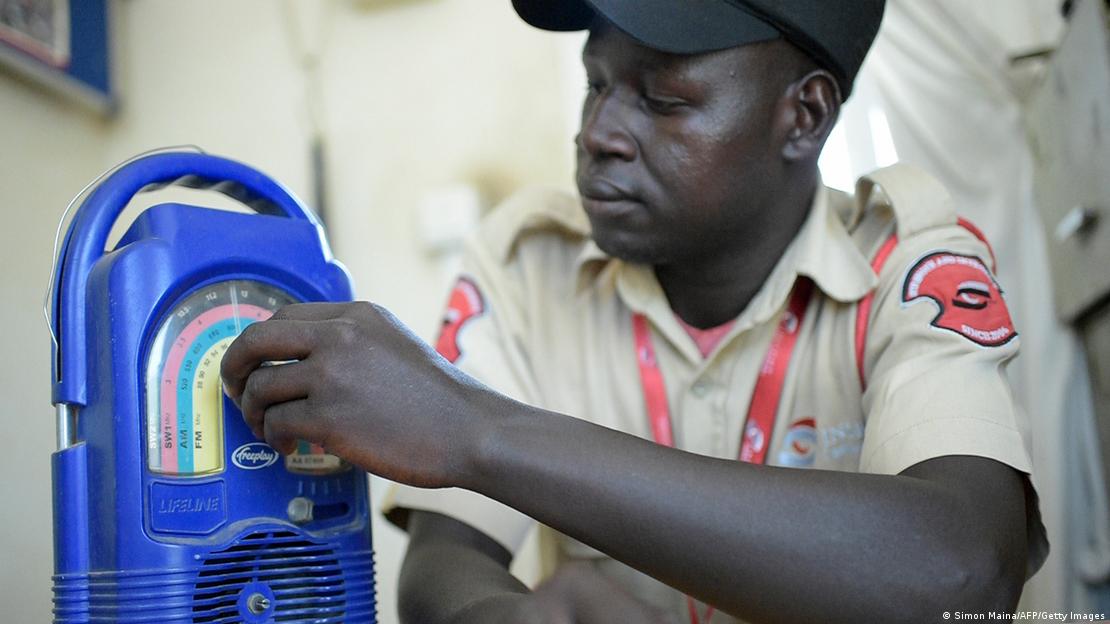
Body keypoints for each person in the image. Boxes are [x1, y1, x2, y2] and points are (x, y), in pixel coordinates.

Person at [220, 1, 1048, 622]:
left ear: (804, 114)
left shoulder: (909, 260)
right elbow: (442, 563)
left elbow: (961, 570)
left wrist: (476, 430)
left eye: (661, 100)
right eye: (596, 84)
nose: (598, 133)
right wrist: (521, 617)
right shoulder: (529, 265)